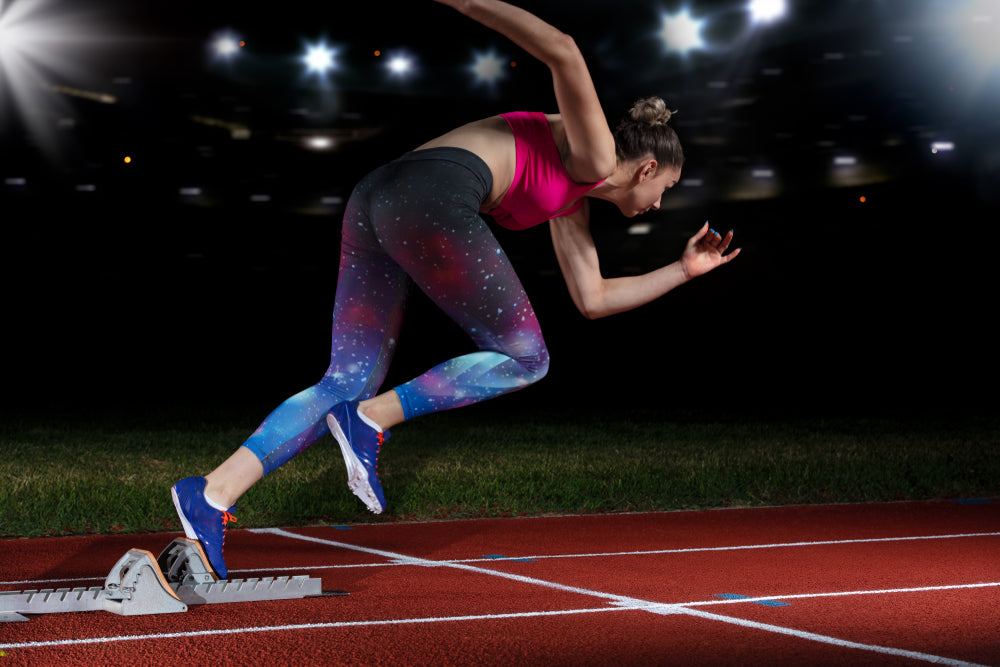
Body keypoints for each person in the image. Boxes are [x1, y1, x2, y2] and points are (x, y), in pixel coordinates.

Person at [171, 0, 740, 579]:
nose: (660, 204)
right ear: (645, 169)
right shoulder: (596, 154)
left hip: (376, 200)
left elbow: (592, 300)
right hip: (428, 196)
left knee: (345, 379)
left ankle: (211, 492)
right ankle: (371, 419)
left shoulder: (572, 203)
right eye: (665, 188)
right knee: (527, 358)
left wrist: (683, 272)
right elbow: (563, 48)